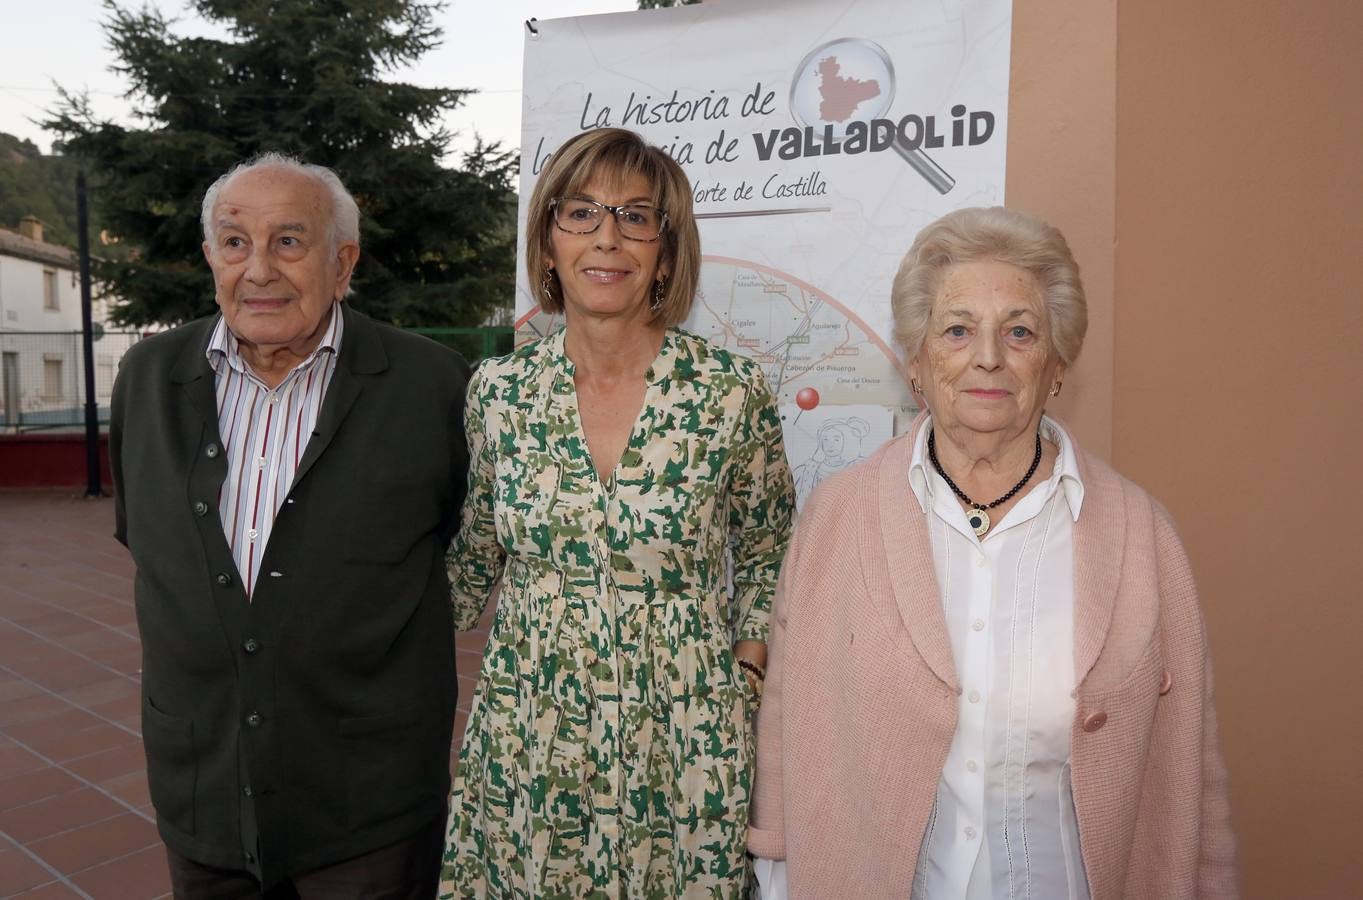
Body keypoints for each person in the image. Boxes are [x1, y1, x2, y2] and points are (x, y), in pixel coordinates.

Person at [748, 207, 1236, 899]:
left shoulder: (1141, 533)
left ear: (1056, 362)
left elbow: (1192, 763)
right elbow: (786, 722)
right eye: (956, 330)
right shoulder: (837, 517)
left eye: (1018, 332)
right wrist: (776, 872)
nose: (987, 357)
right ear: (916, 359)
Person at [440, 127, 796, 899]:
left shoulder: (728, 392)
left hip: (686, 733)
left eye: (637, 217)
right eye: (582, 213)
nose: (608, 237)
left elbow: (771, 548)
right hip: (534, 730)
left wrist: (744, 675)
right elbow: (469, 560)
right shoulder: (496, 392)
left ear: (666, 253)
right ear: (548, 241)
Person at [110, 153, 470, 897]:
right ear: (210, 257)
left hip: (367, 797)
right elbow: (146, 540)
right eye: (235, 242)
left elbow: (458, 543)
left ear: (343, 264)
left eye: (289, 242)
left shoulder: (431, 385)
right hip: (201, 783)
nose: (259, 270)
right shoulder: (146, 379)